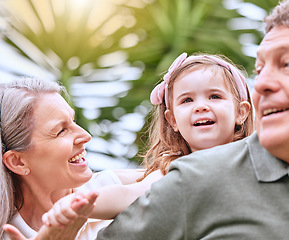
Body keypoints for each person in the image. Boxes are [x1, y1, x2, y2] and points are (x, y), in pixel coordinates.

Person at [7, 0, 289, 238]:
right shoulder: (196, 177)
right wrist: (76, 214)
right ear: (171, 117)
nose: (263, 83)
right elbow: (123, 194)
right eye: (260, 69)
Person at [36, 52, 255, 227]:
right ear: (173, 121)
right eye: (186, 100)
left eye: (214, 96)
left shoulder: (255, 156)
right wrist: (76, 205)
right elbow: (127, 195)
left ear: (241, 112)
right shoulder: (173, 168)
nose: (201, 106)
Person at [0, 78, 160, 240]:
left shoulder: (112, 185)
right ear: (17, 162)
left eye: (74, 121)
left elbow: (177, 173)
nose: (85, 136)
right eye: (61, 131)